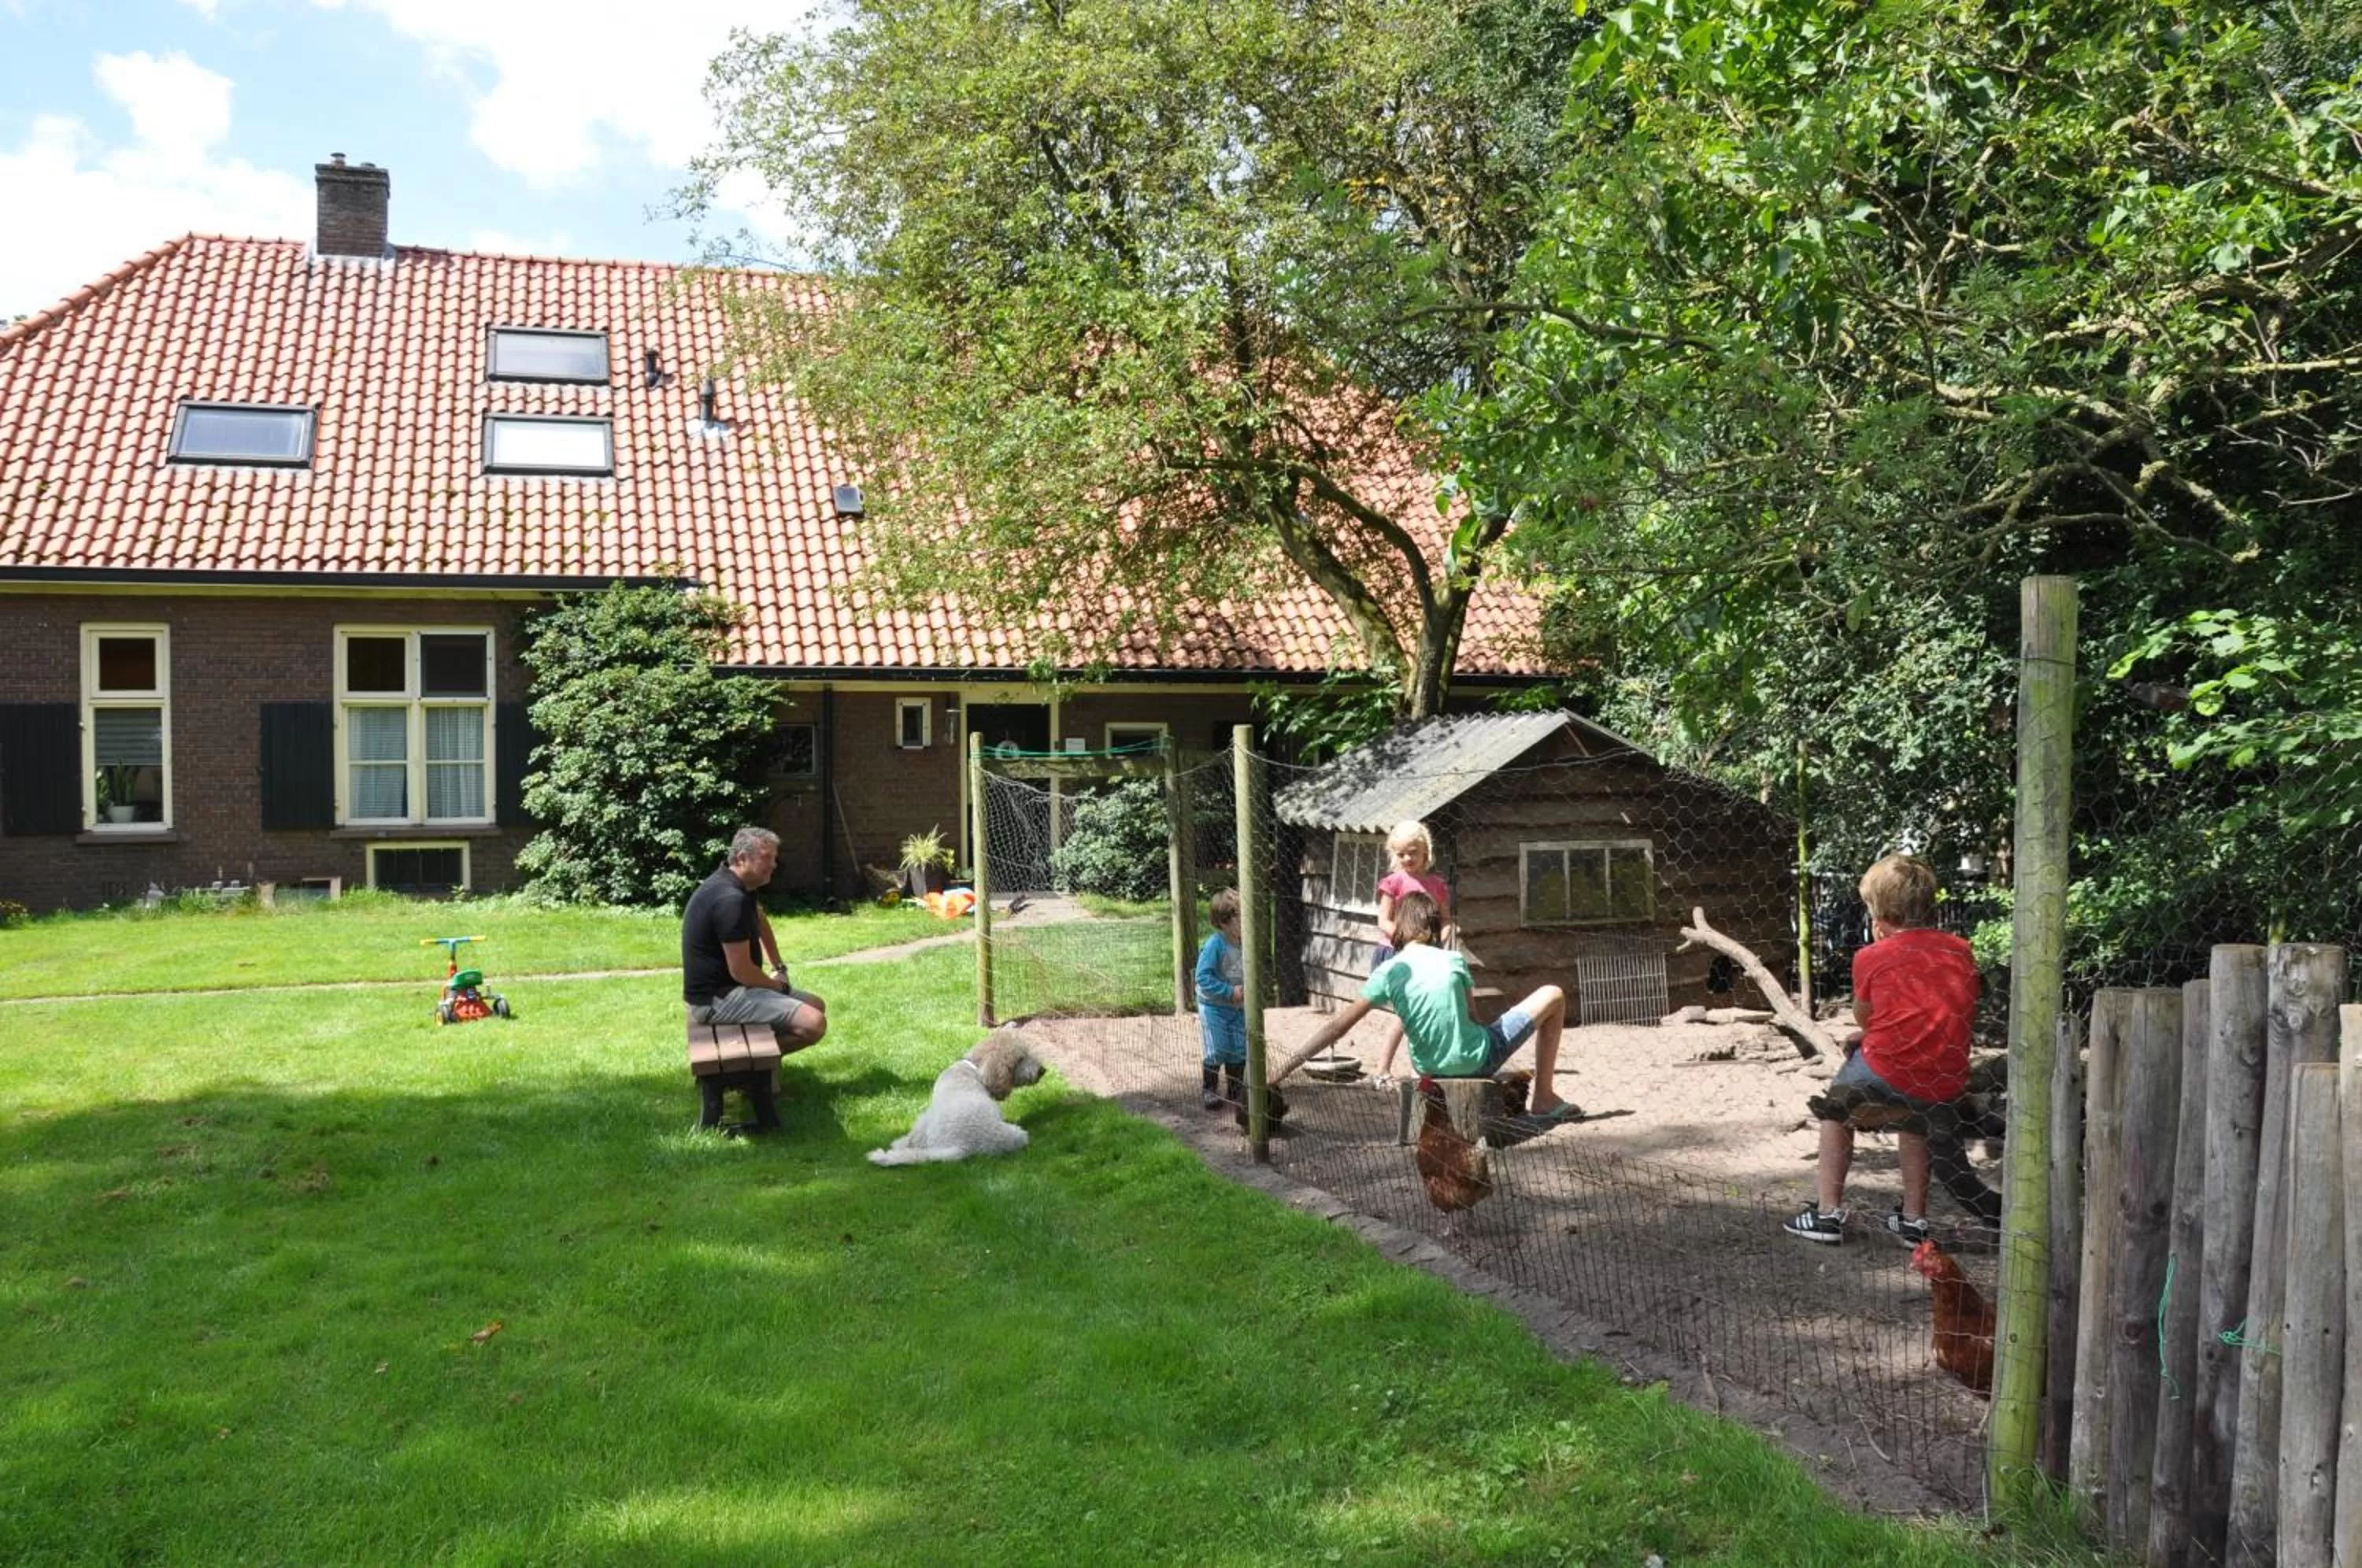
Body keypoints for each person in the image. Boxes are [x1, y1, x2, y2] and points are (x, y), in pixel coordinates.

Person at [1783, 853, 1979, 1246]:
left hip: (1890, 1068)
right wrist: (1872, 1034)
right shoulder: (1960, 949)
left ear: (1880, 913)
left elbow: (1863, 1015)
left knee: (1836, 1112)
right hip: (1943, 1073)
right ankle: (1913, 1222)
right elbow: (1933, 1009)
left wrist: (1865, 1034)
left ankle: (1827, 1214)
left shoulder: (1871, 956)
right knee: (1915, 1120)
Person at [1296, 890, 1576, 1119]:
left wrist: (1287, 1066)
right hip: (1477, 1061)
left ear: (1400, 927)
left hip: (1428, 1070)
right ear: (1432, 927)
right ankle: (1544, 1098)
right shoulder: (1453, 959)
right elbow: (1474, 1018)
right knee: (1553, 994)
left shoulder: (1388, 971)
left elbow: (1337, 1027)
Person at [682, 826, 828, 1055]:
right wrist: (779, 986)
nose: (774, 864)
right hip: (715, 1000)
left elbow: (760, 919)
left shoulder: (739, 886)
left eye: (774, 857)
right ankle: (742, 1066)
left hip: (733, 990)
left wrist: (778, 966)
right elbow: (741, 971)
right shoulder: (729, 899)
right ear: (742, 858)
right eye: (766, 857)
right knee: (814, 1023)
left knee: (816, 1004)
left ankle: (758, 1065)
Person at [1372, 819, 1453, 1081]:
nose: (1407, 858)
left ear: (1425, 851)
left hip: (1428, 954)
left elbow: (1446, 920)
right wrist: (1406, 939)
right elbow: (1383, 921)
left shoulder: (1436, 885)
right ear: (1393, 854)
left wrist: (1441, 938)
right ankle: (1383, 1069)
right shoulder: (1393, 883)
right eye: (1401, 854)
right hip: (1397, 955)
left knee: (1423, 1011)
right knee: (1406, 1014)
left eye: (1413, 852)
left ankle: (1423, 1068)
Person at [1194, 888, 1248, 1110]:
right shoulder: (1216, 944)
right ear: (1225, 922)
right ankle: (1210, 1090)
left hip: (1237, 1007)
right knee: (1217, 1048)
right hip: (1214, 1006)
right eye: (1240, 919)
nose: (1245, 924)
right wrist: (1229, 991)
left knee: (1238, 1048)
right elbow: (1202, 977)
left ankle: (1235, 1092)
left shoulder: (1245, 943)